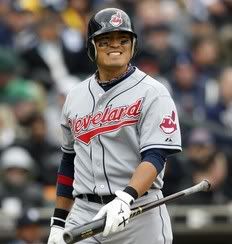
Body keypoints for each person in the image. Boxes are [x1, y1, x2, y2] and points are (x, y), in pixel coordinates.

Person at [47, 8, 182, 244]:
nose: (115, 46)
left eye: (123, 40)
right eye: (105, 40)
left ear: (133, 45)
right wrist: (58, 222)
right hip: (84, 213)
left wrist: (125, 198)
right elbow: (69, 161)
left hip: (138, 211)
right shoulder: (75, 96)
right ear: (92, 48)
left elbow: (156, 155)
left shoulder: (154, 92)